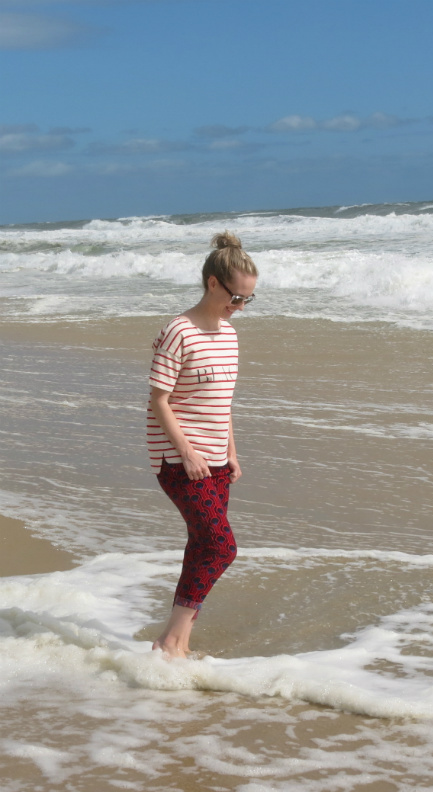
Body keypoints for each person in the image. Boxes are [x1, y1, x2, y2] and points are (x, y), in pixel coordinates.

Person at [146, 231, 258, 659]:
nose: (241, 307)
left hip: (216, 458)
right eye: (236, 297)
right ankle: (170, 640)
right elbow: (158, 399)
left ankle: (179, 640)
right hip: (178, 459)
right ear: (213, 283)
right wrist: (188, 452)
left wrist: (231, 451)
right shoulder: (178, 331)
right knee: (220, 546)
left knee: (201, 543)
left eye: (249, 299)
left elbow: (222, 400)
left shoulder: (228, 334)